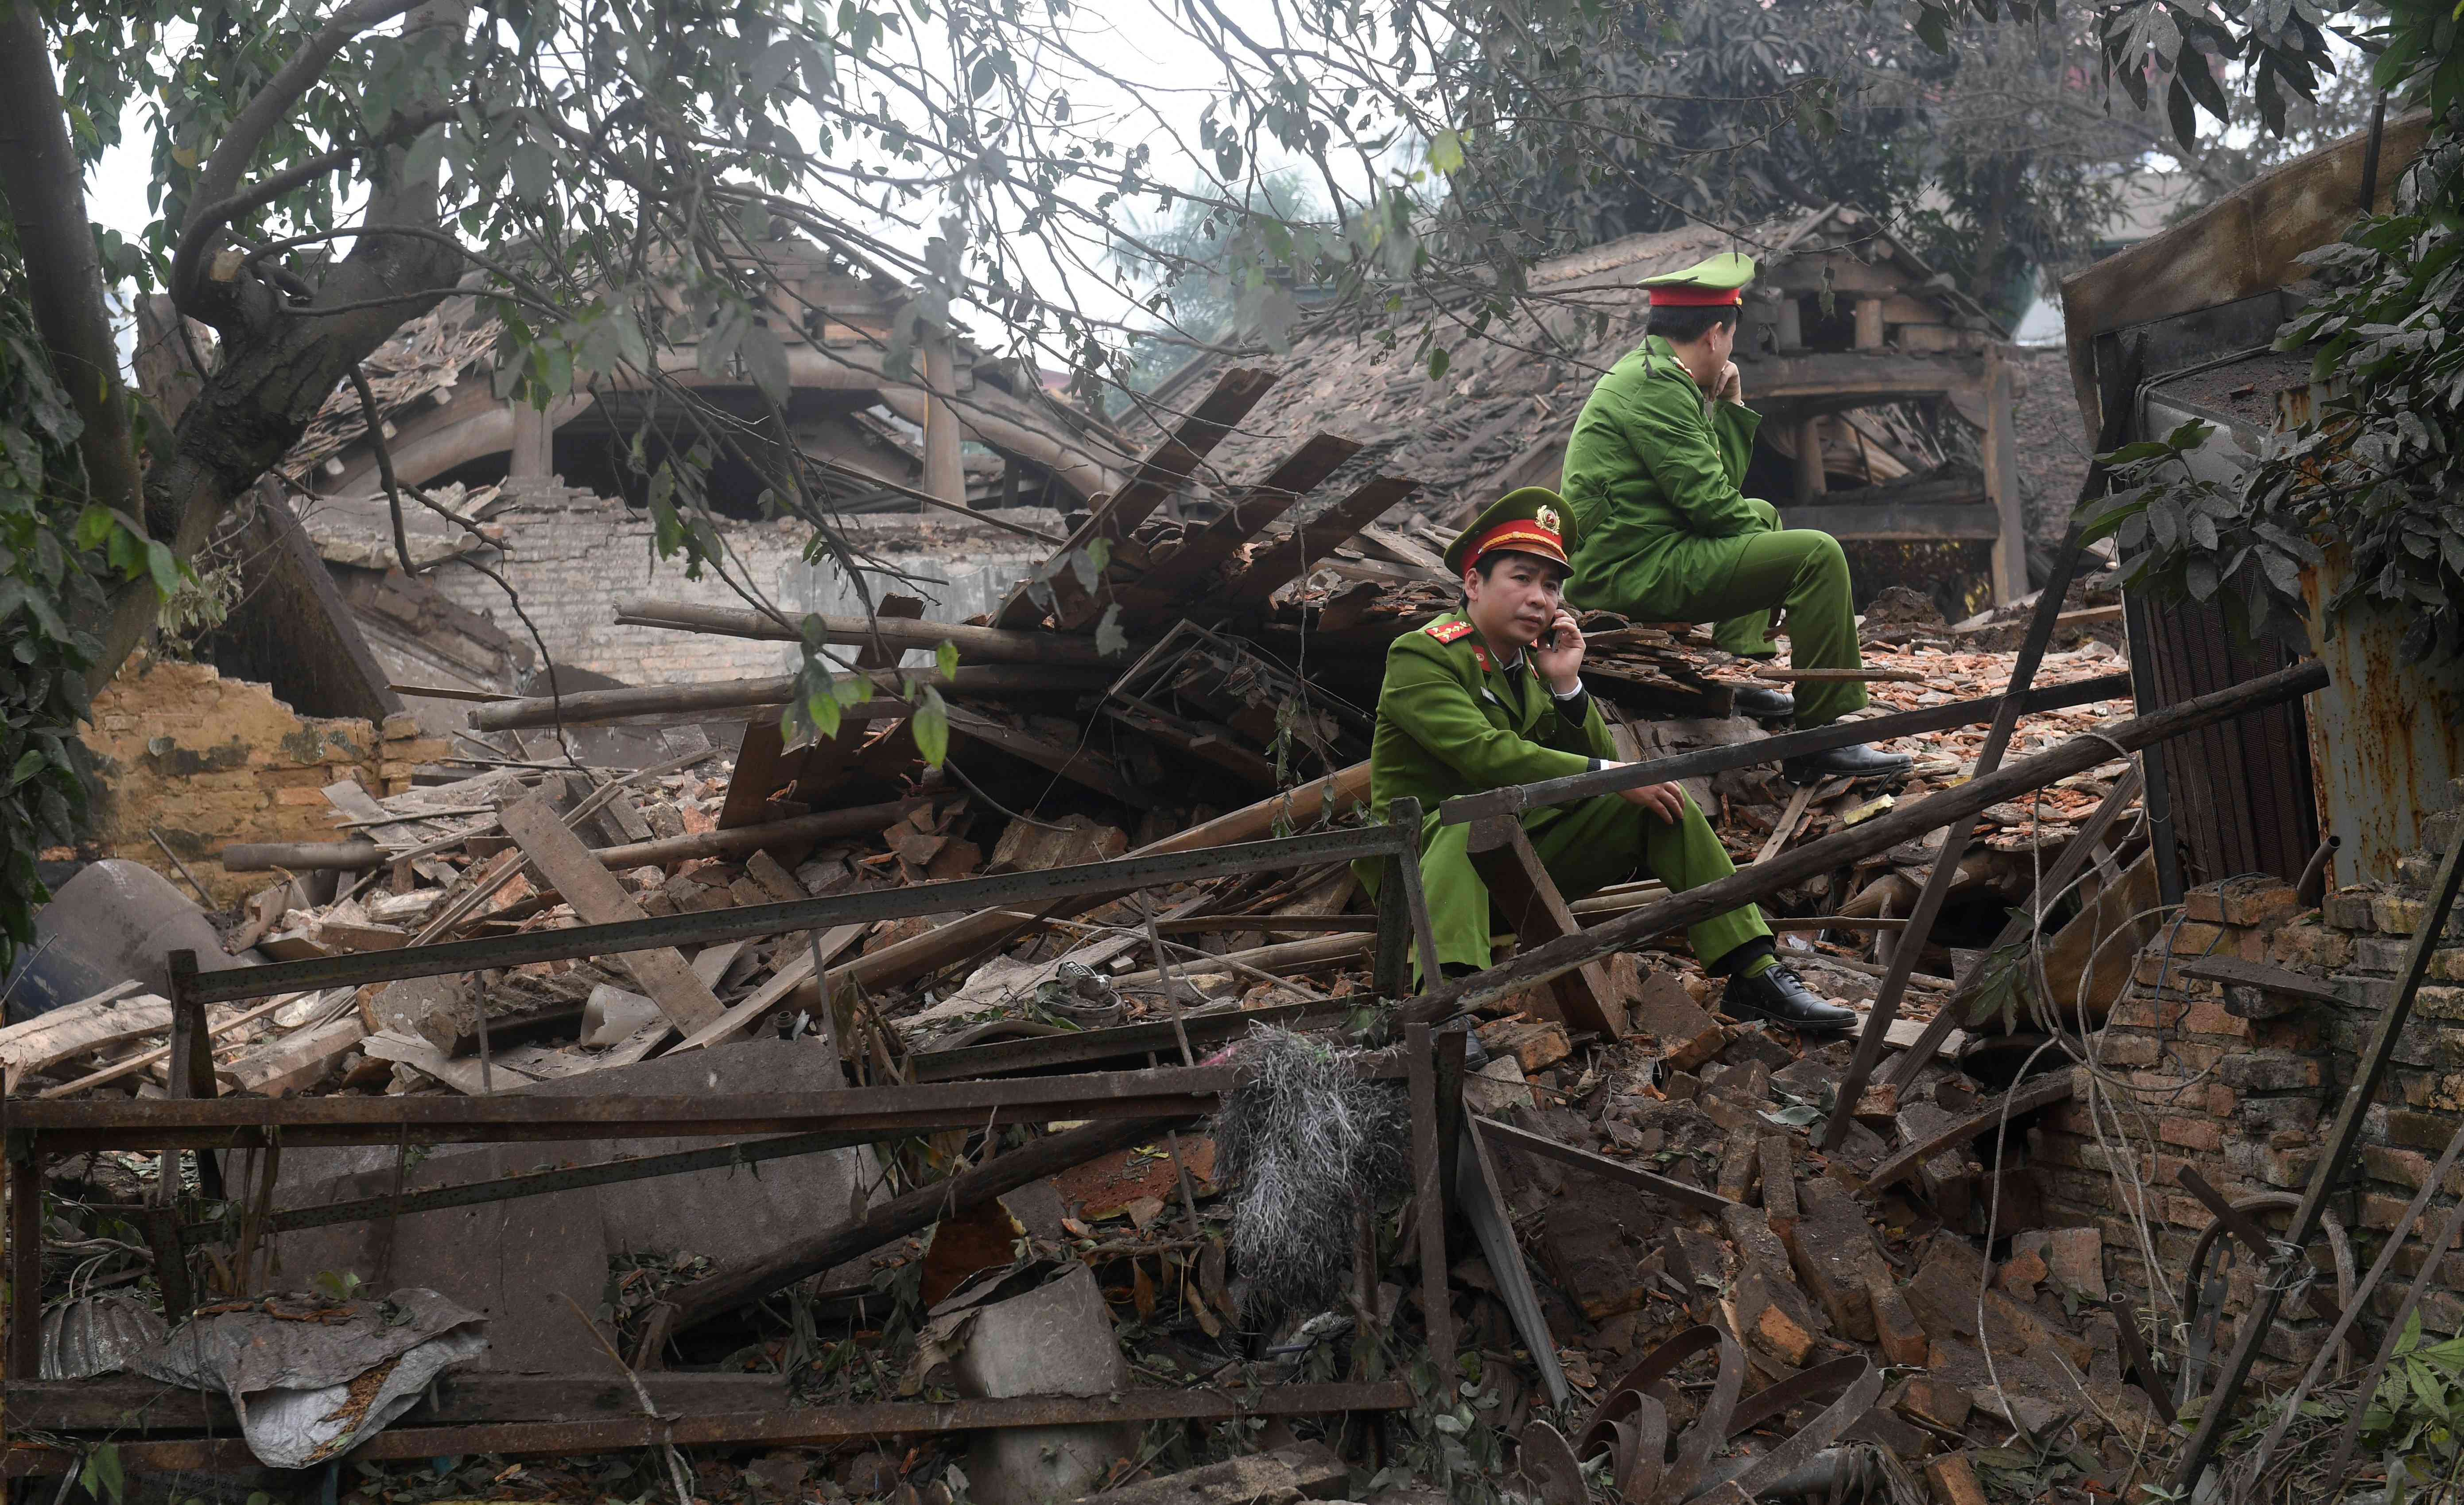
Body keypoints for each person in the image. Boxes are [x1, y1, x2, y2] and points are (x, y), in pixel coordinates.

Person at [1357, 486, 1855, 1034]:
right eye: (1521, 578)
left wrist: (1568, 684)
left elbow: (1591, 758)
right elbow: (1485, 755)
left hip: (1510, 865)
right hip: (1424, 877)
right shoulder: (1422, 652)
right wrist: (1607, 777)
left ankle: (1754, 972)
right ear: (1473, 582)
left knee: (1662, 803)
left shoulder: (1528, 667)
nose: (1539, 599)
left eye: (1550, 585)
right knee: (1470, 814)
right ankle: (1443, 1008)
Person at [1560, 251, 1913, 783]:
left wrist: (1727, 406)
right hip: (1629, 571)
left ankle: (1735, 671)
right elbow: (1712, 507)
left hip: (1638, 555)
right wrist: (1780, 576)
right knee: (1816, 554)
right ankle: (1822, 738)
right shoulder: (1655, 388)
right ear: (1714, 336)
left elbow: (1719, 491)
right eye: (1729, 340)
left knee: (1762, 513)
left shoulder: (1656, 375)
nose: (1727, 352)